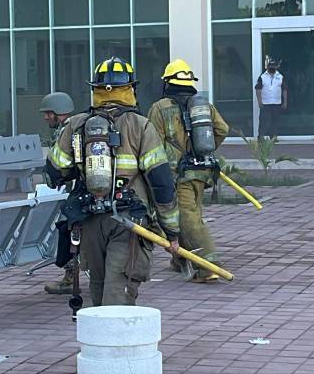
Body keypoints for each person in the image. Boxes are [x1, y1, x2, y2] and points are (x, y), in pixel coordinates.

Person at [44, 57, 180, 306]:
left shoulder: (76, 124)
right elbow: (161, 183)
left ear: (95, 90)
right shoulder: (141, 126)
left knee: (97, 285)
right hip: (129, 221)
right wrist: (172, 232)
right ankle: (116, 331)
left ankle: (98, 329)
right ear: (130, 89)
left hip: (89, 219)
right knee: (119, 291)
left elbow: (54, 172)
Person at [148, 59, 229, 283]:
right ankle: (180, 259)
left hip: (178, 173)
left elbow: (153, 142)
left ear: (167, 82)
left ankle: (209, 266)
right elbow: (222, 129)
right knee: (191, 214)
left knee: (187, 219)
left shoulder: (160, 108)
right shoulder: (203, 105)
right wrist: (203, 150)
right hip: (202, 171)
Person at [38, 92, 79, 295]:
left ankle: (70, 278)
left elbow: (60, 164)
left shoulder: (68, 130)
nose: (46, 118)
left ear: (59, 112)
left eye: (48, 113)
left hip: (78, 191)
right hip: (81, 189)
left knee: (68, 230)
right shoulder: (74, 127)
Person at [255, 57, 287, 140]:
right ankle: (261, 137)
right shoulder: (262, 77)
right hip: (265, 103)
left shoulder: (280, 76)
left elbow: (284, 89)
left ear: (276, 67)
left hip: (277, 103)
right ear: (268, 67)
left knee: (275, 121)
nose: (272, 68)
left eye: (273, 66)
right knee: (264, 121)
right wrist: (259, 102)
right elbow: (258, 89)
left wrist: (285, 102)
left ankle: (273, 138)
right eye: (270, 66)